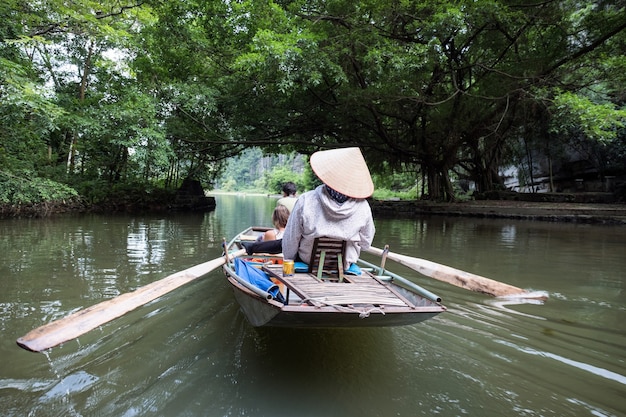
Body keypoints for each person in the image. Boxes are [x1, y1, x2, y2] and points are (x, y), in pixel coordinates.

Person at [281, 147, 375, 272]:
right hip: (343, 266)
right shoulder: (363, 206)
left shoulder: (306, 200)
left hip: (308, 263)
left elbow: (291, 240)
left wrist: (289, 259)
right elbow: (366, 244)